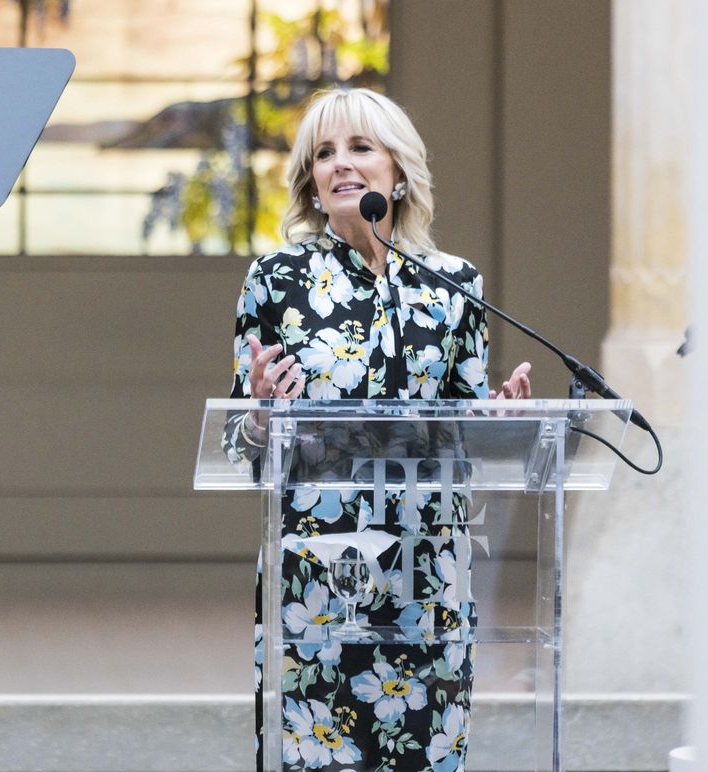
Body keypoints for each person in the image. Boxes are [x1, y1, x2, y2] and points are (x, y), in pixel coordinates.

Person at [226, 88, 529, 770]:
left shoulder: (455, 283)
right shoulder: (275, 281)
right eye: (324, 154)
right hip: (321, 574)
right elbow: (241, 446)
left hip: (432, 571)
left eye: (360, 148)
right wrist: (257, 415)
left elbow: (466, 431)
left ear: (398, 170)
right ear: (310, 178)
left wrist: (503, 421)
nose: (341, 165)